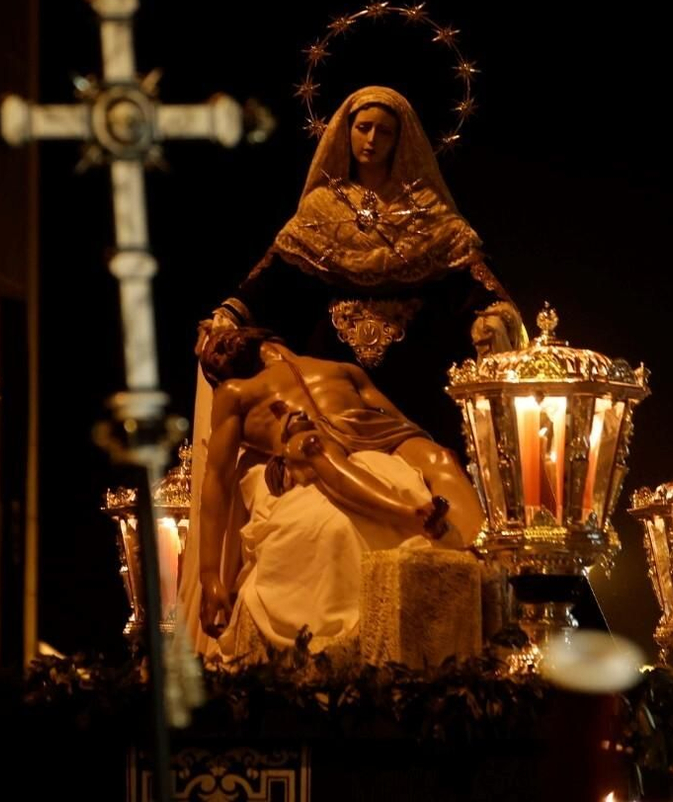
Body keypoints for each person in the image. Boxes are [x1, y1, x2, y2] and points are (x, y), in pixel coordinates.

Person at [195, 85, 523, 452]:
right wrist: (231, 312)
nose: (371, 140)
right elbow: (274, 276)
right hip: (332, 373)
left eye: (384, 131)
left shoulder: (429, 212)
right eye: (363, 127)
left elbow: (470, 275)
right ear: (345, 131)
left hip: (414, 372)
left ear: (400, 140)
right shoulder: (321, 208)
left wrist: (493, 314)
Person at [192, 326, 485, 652]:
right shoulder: (235, 392)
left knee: (439, 456)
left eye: (220, 341)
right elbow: (216, 478)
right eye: (213, 356)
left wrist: (419, 447)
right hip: (303, 439)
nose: (218, 345)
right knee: (313, 445)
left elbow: (400, 423)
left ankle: (479, 554)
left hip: (366, 429)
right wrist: (209, 575)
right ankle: (412, 515)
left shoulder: (344, 370)